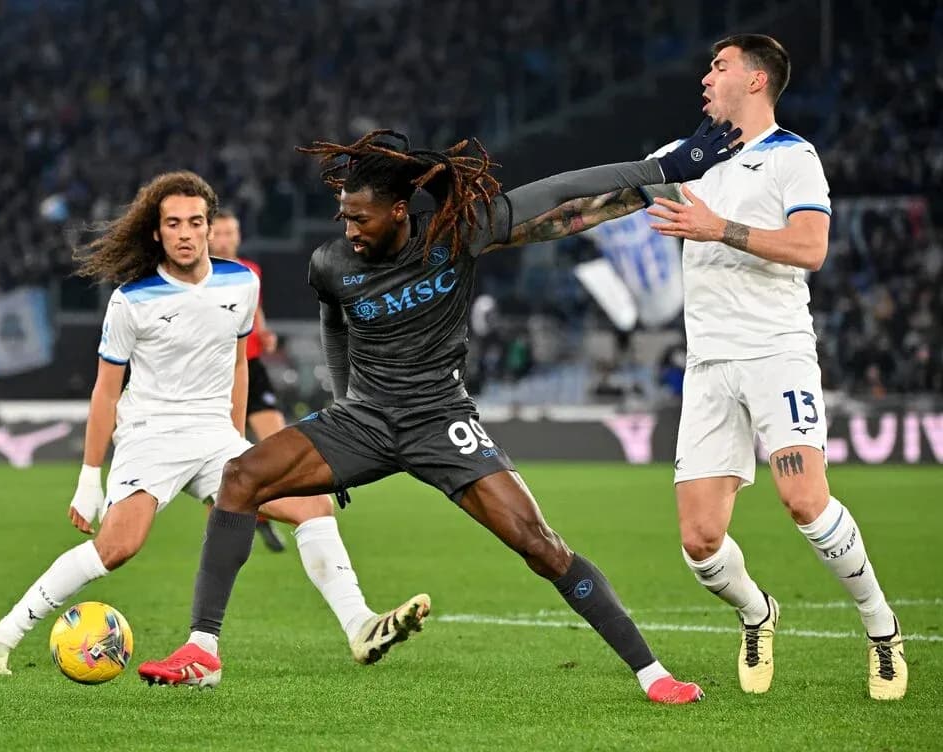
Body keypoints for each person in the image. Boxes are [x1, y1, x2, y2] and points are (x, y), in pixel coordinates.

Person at [139, 123, 743, 702]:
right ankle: (202, 649)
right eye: (343, 215)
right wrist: (345, 399)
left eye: (359, 216)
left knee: (541, 545)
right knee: (239, 479)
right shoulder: (331, 264)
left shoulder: (458, 232)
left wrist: (664, 168)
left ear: (399, 211)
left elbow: (561, 189)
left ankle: (653, 674)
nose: (347, 228)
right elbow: (334, 321)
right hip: (364, 422)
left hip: (439, 420)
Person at [0, 171, 425, 682]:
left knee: (312, 504)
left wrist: (238, 448)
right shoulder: (130, 300)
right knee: (117, 548)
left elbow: (237, 366)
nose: (185, 233)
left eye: (195, 222)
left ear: (211, 227)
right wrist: (88, 477)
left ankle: (360, 625)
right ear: (157, 233)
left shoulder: (241, 283)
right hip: (150, 436)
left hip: (215, 438)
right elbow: (105, 390)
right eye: (173, 224)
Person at [643, 34, 907, 700]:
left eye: (719, 65)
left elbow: (812, 247)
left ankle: (881, 627)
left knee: (804, 501)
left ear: (756, 80)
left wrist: (718, 228)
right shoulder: (681, 160)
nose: (706, 75)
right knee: (700, 541)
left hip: (775, 352)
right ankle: (758, 612)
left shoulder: (793, 157)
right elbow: (602, 201)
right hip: (708, 365)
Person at [209, 207, 287, 553]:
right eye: (219, 233)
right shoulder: (201, 276)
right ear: (208, 236)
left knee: (279, 445)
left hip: (252, 367)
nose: (225, 240)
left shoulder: (250, 271)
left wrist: (265, 333)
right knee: (221, 456)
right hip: (217, 371)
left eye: (230, 233)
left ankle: (264, 514)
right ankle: (224, 532)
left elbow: (256, 313)